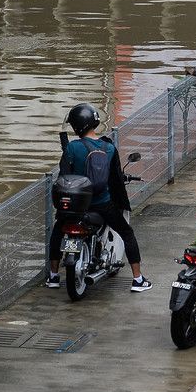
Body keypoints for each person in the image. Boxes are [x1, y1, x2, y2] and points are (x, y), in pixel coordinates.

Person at [46, 104, 151, 292]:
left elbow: (64, 175)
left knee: (57, 232)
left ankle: (53, 276)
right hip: (102, 204)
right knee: (127, 233)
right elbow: (115, 179)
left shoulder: (72, 147)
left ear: (77, 126)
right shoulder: (109, 148)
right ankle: (138, 279)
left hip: (76, 207)